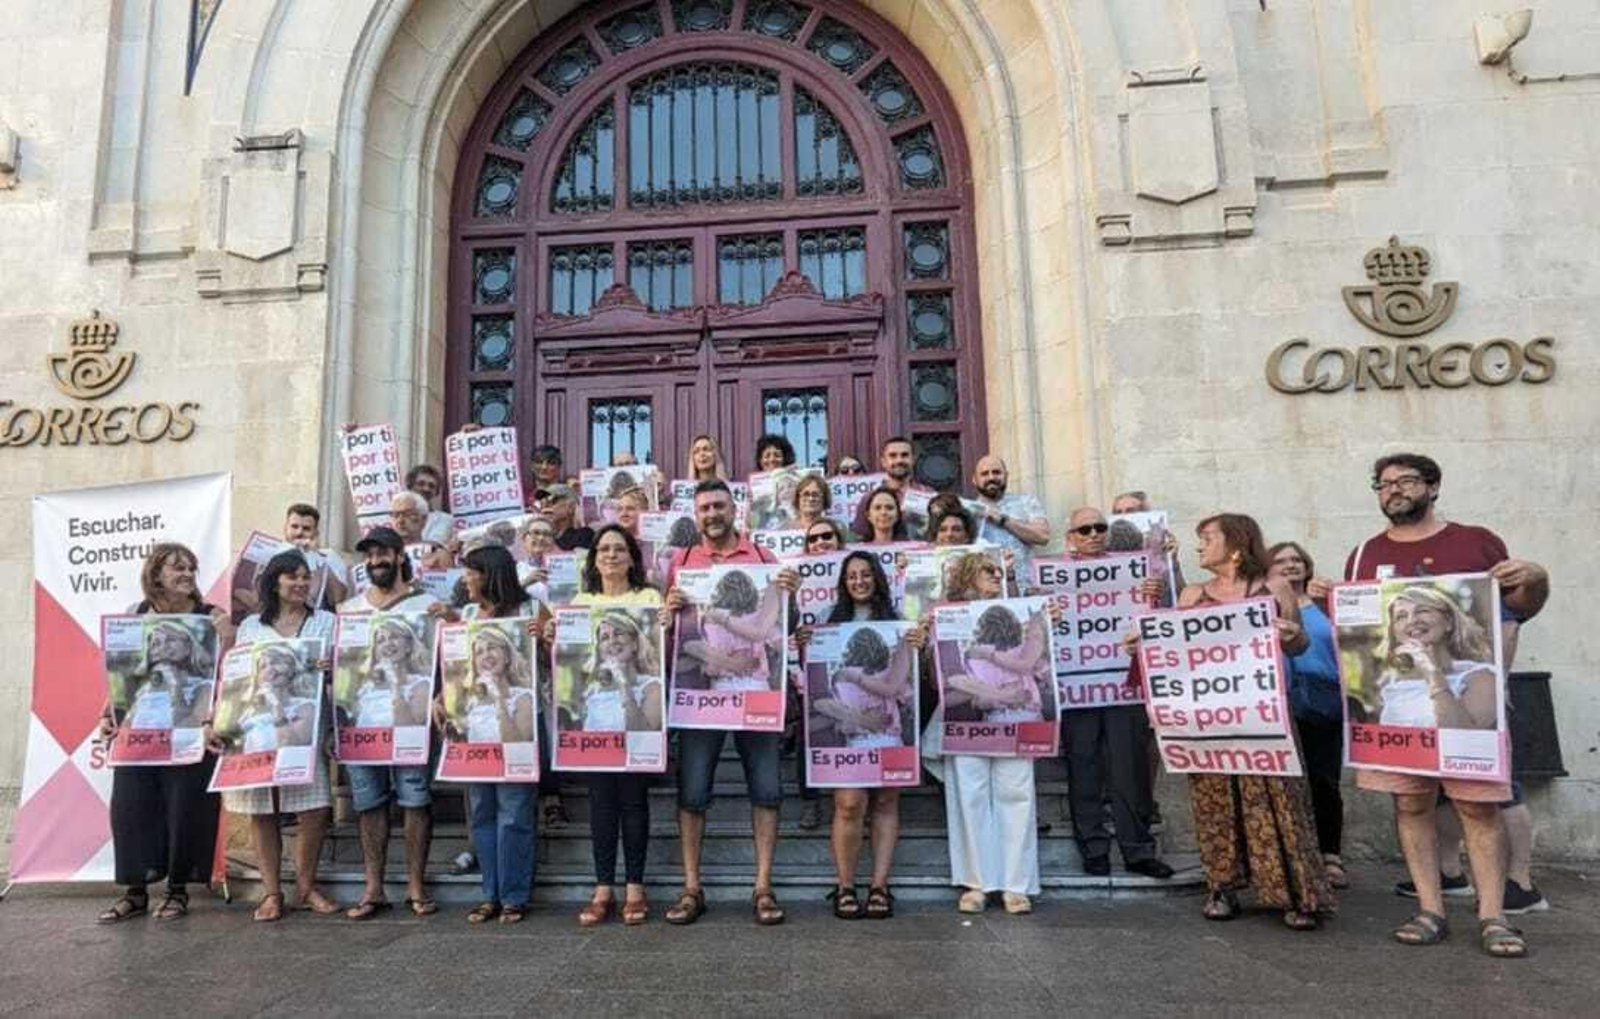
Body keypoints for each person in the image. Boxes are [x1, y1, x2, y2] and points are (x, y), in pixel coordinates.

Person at [1313, 453, 1548, 951]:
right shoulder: (1363, 554)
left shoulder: (1476, 542)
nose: (1393, 490)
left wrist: (1537, 578)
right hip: (1396, 709)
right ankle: (1429, 909)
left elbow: (1516, 611)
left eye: (1406, 481)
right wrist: (1324, 602)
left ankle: (1493, 917)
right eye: (1384, 483)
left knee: (1478, 810)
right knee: (1411, 804)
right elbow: (1357, 631)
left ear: (1434, 487)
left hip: (1469, 705)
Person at [1160, 513, 1333, 930]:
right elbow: (1175, 649)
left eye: (1207, 538)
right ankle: (1222, 886)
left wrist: (1291, 635)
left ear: (1235, 545)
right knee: (1214, 800)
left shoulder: (1272, 589)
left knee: (1279, 800)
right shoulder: (1191, 595)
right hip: (1210, 716)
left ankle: (1296, 892)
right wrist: (1144, 644)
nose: (1200, 546)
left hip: (1265, 711)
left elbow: (1299, 644)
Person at [661, 480, 800, 926]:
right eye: (704, 508)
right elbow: (676, 636)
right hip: (703, 699)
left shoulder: (762, 560)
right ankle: (691, 888)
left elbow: (783, 628)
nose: (712, 514)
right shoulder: (682, 562)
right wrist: (668, 611)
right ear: (695, 514)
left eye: (719, 505)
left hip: (756, 694)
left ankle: (762, 886)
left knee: (766, 789)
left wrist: (789, 593)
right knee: (693, 792)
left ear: (733, 509)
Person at [97, 543, 233, 924]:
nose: (188, 574)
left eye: (191, 567)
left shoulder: (212, 618)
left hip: (192, 734)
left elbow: (230, 676)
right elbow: (122, 678)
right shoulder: (134, 616)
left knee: (185, 810)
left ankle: (178, 891)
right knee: (131, 809)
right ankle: (135, 892)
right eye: (178, 568)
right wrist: (109, 714)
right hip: (139, 735)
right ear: (155, 574)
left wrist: (230, 638)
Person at [212, 549, 341, 921]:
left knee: (314, 809)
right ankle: (272, 893)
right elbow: (237, 679)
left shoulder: (326, 622)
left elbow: (343, 671)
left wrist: (328, 669)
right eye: (292, 576)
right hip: (257, 733)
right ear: (275, 581)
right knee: (262, 811)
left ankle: (305, 885)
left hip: (306, 729)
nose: (301, 583)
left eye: (305, 577)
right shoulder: (252, 626)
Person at [337, 525, 447, 921]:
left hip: (412, 722)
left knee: (416, 799)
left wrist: (440, 696)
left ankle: (416, 884)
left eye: (382, 553)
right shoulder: (348, 611)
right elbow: (343, 671)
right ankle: (373, 887)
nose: (375, 561)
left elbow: (447, 661)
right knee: (369, 804)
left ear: (401, 556)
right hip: (362, 724)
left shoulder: (428, 606)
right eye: (368, 556)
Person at [1058, 507, 1173, 880]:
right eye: (1085, 529)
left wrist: (1157, 591)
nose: (1093, 534)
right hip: (1078, 690)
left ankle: (1137, 849)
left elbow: (1162, 620)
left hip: (1122, 687)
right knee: (1084, 767)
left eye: (1100, 528)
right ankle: (1093, 849)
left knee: (1130, 770)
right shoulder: (1053, 576)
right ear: (1070, 536)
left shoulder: (1136, 574)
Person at [811, 551, 925, 919]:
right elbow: (820, 693)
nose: (859, 581)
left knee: (887, 803)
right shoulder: (830, 622)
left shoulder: (897, 625)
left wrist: (915, 644)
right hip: (850, 739)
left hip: (888, 734)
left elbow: (897, 686)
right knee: (848, 804)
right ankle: (845, 885)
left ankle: (879, 885)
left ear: (877, 578)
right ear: (843, 584)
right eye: (851, 576)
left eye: (865, 575)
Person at [565, 524, 665, 926]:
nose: (610, 555)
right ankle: (603, 885)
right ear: (594, 559)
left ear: (631, 557)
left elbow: (657, 648)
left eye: (618, 549)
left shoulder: (648, 597)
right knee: (601, 804)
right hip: (597, 717)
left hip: (640, 706)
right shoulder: (580, 600)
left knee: (633, 801)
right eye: (603, 549)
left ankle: (635, 886)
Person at [935, 552, 1041, 915]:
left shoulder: (1024, 613)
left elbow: (1034, 659)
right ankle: (977, 882)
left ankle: (1016, 884)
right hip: (971, 722)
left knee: (1017, 793)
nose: (996, 576)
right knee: (971, 796)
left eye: (999, 571)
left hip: (1020, 719)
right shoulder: (947, 616)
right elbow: (951, 679)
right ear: (967, 576)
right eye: (988, 571)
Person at [445, 545, 538, 926]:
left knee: (514, 811)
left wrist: (546, 639)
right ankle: (490, 892)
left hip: (518, 722)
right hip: (476, 727)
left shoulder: (531, 609)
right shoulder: (468, 614)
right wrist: (443, 697)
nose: (465, 579)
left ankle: (514, 894)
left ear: (490, 573)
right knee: (482, 811)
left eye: (471, 572)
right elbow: (458, 671)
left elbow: (558, 663)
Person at [1266, 541, 1349, 891]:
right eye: (1281, 561)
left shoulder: (1326, 604)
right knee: (1287, 783)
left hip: (1323, 697)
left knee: (1323, 779)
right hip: (1280, 701)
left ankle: (1330, 854)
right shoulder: (1264, 605)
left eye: (1297, 560)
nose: (1291, 566)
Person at [970, 455, 1050, 585]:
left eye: (996, 472)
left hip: (1025, 586)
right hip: (986, 590)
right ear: (974, 480)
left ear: (1006, 475)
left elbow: (1043, 536)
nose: (991, 477)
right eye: (984, 474)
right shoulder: (969, 512)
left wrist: (1003, 520)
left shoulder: (1026, 502)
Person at [406, 465, 455, 543]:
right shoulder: (398, 517)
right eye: (421, 484)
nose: (426, 489)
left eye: (431, 486)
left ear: (436, 492)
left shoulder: (444, 519)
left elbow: (433, 545)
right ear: (410, 486)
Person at [539, 484, 594, 551]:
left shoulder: (583, 535)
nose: (545, 506)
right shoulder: (537, 537)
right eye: (542, 502)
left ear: (571, 506)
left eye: (552, 501)